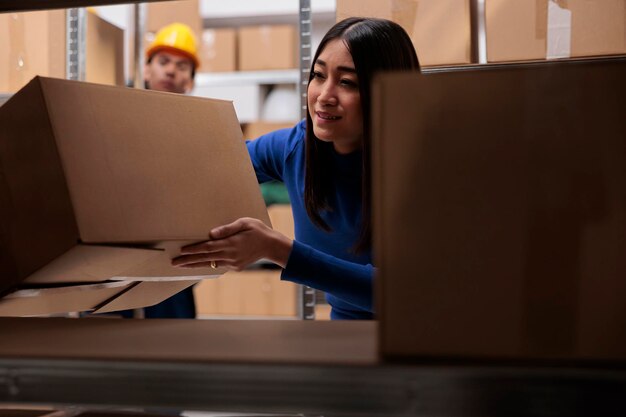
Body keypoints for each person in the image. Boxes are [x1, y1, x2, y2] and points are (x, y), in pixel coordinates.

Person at [172, 17, 421, 320]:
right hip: (345, 335)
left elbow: (408, 294)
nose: (324, 96)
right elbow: (202, 171)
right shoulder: (296, 149)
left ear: (388, 92)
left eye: (347, 82)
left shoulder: (424, 170)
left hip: (419, 341)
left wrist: (278, 250)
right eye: (318, 75)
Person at [122, 22, 200, 319]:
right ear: (146, 69)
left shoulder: (199, 130)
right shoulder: (119, 119)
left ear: (190, 81)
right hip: (125, 252)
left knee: (176, 336)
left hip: (177, 254)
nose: (170, 71)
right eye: (163, 61)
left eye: (182, 66)